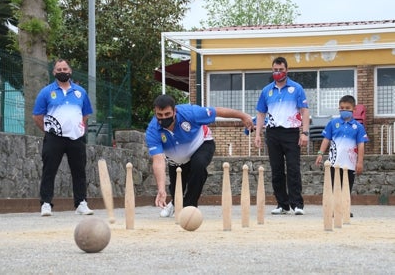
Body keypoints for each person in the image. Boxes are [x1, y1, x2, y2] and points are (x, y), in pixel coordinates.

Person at [146, 94, 254, 217]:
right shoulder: (152, 130)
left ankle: (189, 207)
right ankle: (175, 204)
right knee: (177, 190)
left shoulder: (191, 112)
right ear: (155, 112)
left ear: (174, 111)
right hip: (176, 159)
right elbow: (158, 160)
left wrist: (243, 116)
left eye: (167, 114)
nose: (163, 118)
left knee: (198, 166)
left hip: (202, 144)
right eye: (159, 115)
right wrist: (161, 189)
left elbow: (217, 111)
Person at [32, 59, 94, 217]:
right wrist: (48, 130)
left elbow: (85, 114)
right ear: (54, 72)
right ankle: (46, 204)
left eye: (64, 68)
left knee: (79, 171)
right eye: (58, 69)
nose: (62, 71)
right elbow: (37, 116)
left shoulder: (80, 92)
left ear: (70, 71)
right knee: (49, 170)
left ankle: (81, 203)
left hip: (76, 138)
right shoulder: (46, 92)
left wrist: (77, 127)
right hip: (54, 138)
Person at [254, 56, 310, 215]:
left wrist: (304, 133)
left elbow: (305, 111)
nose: (278, 72)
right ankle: (282, 204)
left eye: (281, 70)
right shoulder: (267, 90)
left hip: (291, 132)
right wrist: (257, 134)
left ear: (287, 70)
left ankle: (297, 204)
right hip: (272, 132)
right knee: (276, 169)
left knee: (293, 168)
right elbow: (260, 113)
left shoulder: (296, 88)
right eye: (275, 70)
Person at [315, 95, 369, 215]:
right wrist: (320, 153)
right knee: (334, 185)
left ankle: (345, 209)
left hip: (350, 163)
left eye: (347, 108)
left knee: (347, 186)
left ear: (354, 109)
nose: (344, 110)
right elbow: (326, 139)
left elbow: (361, 145)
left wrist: (360, 162)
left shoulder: (358, 127)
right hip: (334, 162)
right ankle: (335, 209)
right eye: (342, 108)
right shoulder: (333, 123)